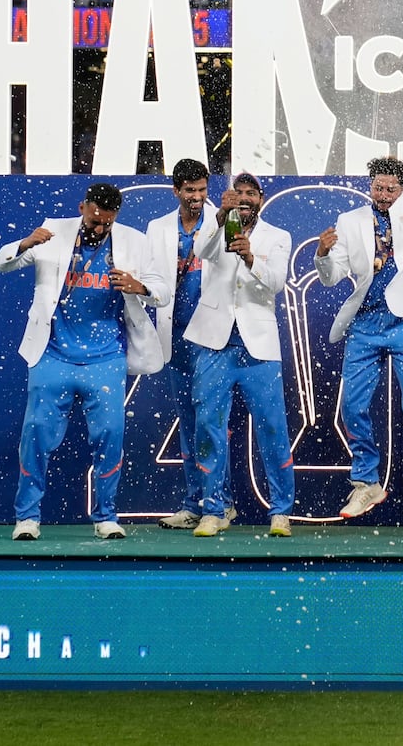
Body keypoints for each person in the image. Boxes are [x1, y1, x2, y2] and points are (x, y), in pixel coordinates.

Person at [0, 183, 166, 540]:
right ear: (83, 207)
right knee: (36, 435)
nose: (99, 227)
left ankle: (105, 517)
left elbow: (161, 291)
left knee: (110, 437)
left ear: (116, 215)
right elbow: (2, 263)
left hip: (106, 359)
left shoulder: (134, 241)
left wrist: (139, 286)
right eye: (94, 219)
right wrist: (26, 243)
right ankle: (27, 517)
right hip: (52, 355)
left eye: (107, 222)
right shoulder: (53, 231)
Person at [316, 133, 403, 519]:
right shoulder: (350, 221)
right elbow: (333, 276)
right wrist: (322, 254)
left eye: (390, 189)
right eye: (377, 187)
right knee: (353, 407)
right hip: (365, 323)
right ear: (370, 186)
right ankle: (366, 482)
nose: (383, 195)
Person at [182, 172, 295, 538]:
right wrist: (218, 221)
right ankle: (214, 509)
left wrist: (250, 259)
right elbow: (202, 253)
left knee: (273, 429)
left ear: (261, 199)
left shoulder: (278, 236)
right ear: (229, 197)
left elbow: (276, 282)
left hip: (258, 346)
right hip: (214, 344)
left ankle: (280, 511)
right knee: (208, 430)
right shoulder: (213, 225)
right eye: (238, 193)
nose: (244, 198)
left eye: (251, 193)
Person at [146, 159, 231, 530]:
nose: (197, 198)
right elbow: (153, 281)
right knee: (190, 423)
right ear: (176, 191)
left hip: (212, 337)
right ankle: (194, 502)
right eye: (190, 191)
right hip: (175, 337)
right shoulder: (157, 228)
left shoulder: (224, 219)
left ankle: (218, 504)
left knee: (211, 423)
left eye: (202, 190)